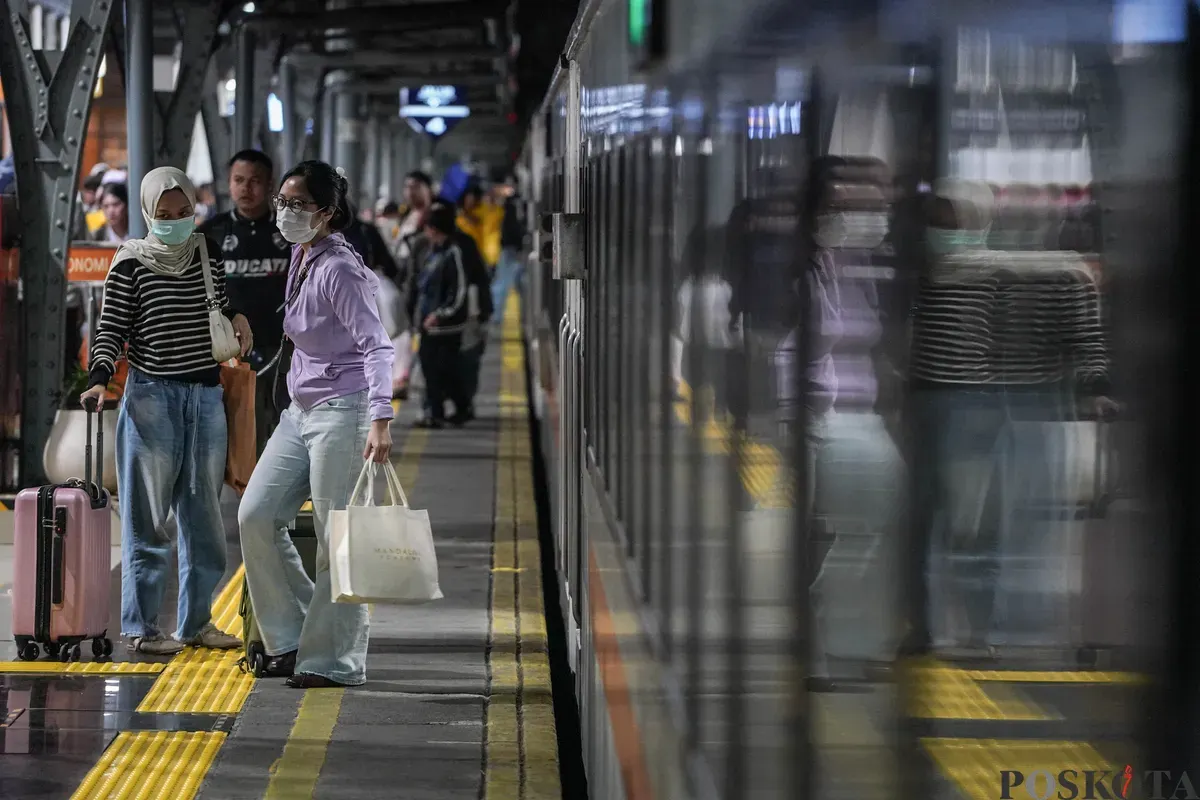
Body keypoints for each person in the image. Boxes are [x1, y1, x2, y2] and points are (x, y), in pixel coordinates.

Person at [80, 166, 254, 655]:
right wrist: (98, 379)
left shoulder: (206, 251)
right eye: (165, 213)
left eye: (184, 212)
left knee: (204, 518)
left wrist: (237, 314)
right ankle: (141, 627)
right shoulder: (130, 262)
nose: (175, 221)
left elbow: (217, 305)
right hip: (152, 398)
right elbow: (112, 328)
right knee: (147, 518)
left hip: (206, 396)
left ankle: (197, 622)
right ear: (147, 212)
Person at [237, 160, 394, 688]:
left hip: (344, 411)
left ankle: (336, 660)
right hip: (300, 410)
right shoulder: (303, 253)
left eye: (298, 204)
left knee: (336, 537)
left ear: (326, 212)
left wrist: (381, 417)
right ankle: (292, 638)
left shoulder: (340, 270)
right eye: (282, 201)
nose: (285, 211)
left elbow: (377, 346)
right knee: (257, 515)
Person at [198, 149, 293, 451]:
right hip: (228, 350)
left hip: (283, 348)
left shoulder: (290, 232)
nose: (246, 188)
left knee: (283, 429)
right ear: (228, 183)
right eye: (238, 180)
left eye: (255, 181)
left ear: (270, 185)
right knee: (235, 433)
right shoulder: (210, 234)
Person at [413, 202, 469, 429]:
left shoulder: (453, 253)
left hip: (447, 327)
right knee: (430, 370)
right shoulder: (432, 253)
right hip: (429, 325)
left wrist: (441, 314)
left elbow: (459, 291)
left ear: (434, 229)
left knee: (446, 371)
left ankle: (461, 408)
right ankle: (435, 413)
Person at [492, 178, 526, 323]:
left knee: (502, 284)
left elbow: (510, 229)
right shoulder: (514, 203)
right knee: (517, 283)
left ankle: (496, 316)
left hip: (510, 248)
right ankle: (520, 316)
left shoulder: (510, 204)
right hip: (514, 248)